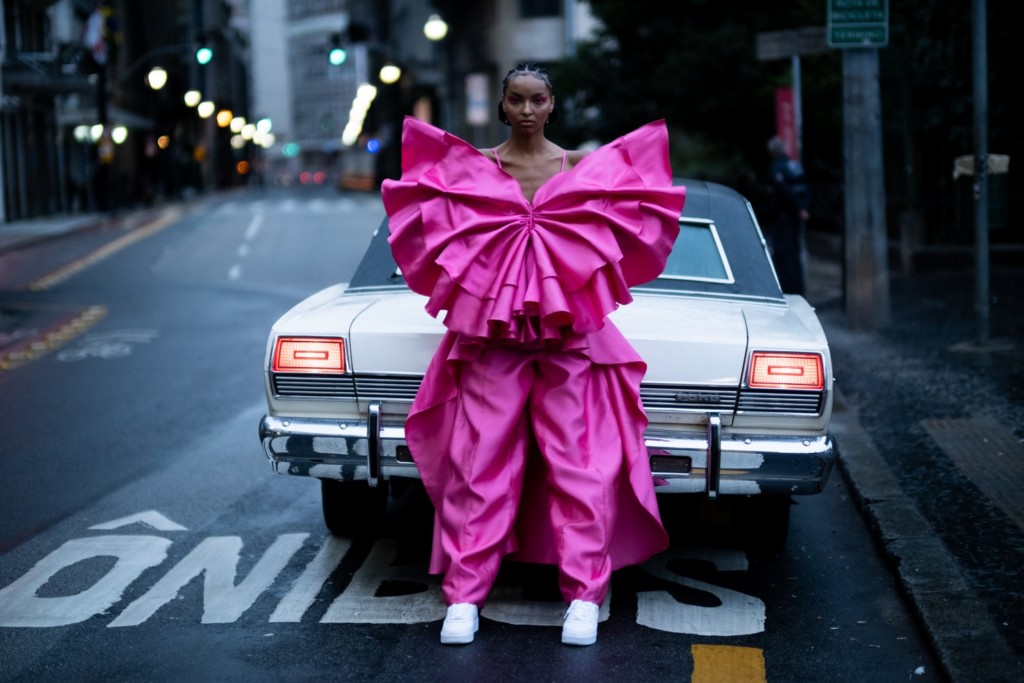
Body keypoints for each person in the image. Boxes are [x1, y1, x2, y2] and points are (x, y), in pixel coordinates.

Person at [381, 63, 686, 647]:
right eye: (516, 99)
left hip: (570, 342)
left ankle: (584, 595)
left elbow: (628, 232)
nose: (526, 109)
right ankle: (465, 597)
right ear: (502, 105)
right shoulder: (472, 170)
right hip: (493, 344)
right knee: (480, 467)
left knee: (580, 466)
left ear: (552, 105)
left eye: (537, 99)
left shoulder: (581, 169)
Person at [763, 135, 810, 295]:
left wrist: (798, 207)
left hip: (784, 215)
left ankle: (788, 289)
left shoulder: (777, 167)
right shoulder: (794, 164)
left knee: (784, 253)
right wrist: (803, 207)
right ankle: (798, 288)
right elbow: (804, 187)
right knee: (794, 252)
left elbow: (785, 191)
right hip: (795, 215)